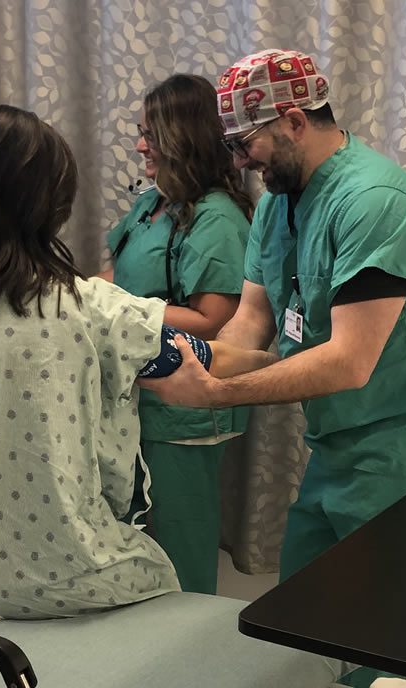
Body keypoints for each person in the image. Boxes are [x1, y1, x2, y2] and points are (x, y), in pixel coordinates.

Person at [0, 104, 268, 620]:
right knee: (160, 573)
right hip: (65, 577)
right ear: (49, 207)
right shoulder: (88, 309)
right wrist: (298, 361)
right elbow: (208, 358)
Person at [140, 47, 406, 657]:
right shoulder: (278, 199)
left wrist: (216, 392)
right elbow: (250, 323)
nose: (240, 162)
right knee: (301, 616)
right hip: (333, 449)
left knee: (387, 636)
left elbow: (349, 361)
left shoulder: (376, 202)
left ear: (295, 121)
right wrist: (174, 358)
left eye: (248, 144)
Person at [98, 74, 255, 594]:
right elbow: (113, 278)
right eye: (140, 132)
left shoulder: (217, 218)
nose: (141, 144)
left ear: (187, 137)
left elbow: (211, 318)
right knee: (137, 533)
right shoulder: (152, 205)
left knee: (180, 537)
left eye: (153, 133)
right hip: (133, 395)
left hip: (182, 404)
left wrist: (116, 309)